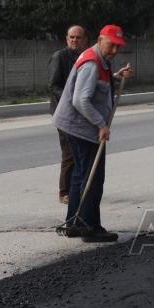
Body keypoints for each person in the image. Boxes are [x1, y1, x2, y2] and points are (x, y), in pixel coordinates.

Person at [52, 24, 133, 242]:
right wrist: (101, 124)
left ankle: (74, 224)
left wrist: (116, 77)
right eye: (111, 45)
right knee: (93, 177)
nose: (114, 50)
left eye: (118, 47)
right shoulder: (91, 62)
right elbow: (80, 100)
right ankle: (90, 227)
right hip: (82, 128)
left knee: (80, 175)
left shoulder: (99, 59)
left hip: (76, 126)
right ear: (99, 39)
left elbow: (96, 85)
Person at [48, 25, 88, 204]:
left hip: (80, 113)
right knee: (69, 153)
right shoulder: (59, 57)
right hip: (64, 113)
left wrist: (116, 77)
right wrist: (70, 98)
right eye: (71, 37)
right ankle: (64, 192)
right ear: (66, 38)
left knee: (80, 152)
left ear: (85, 40)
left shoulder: (85, 57)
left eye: (78, 37)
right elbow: (53, 85)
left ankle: (78, 187)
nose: (74, 40)